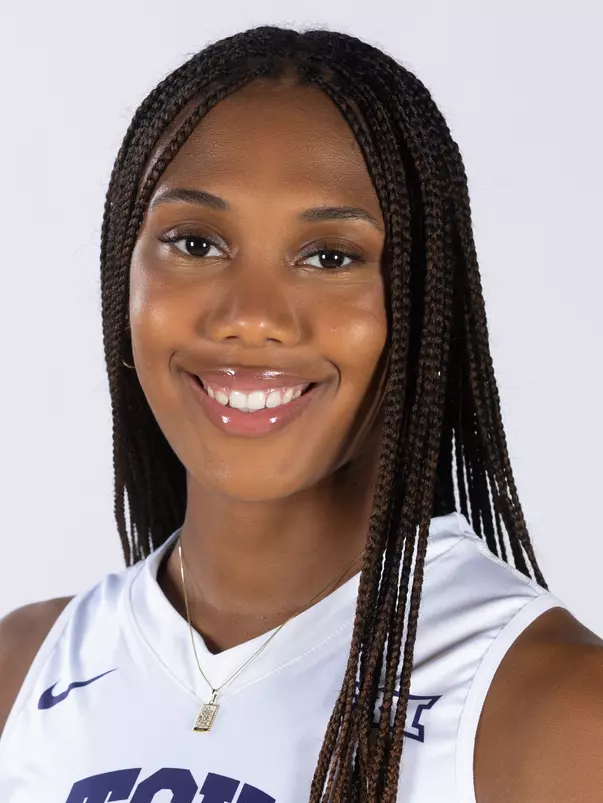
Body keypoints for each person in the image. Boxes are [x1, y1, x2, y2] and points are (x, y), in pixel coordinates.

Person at [0, 24, 601, 803]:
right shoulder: (21, 674)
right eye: (195, 242)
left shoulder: (551, 714)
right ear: (125, 272)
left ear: (424, 301)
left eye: (330, 257)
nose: (252, 316)